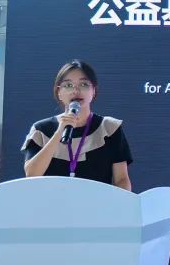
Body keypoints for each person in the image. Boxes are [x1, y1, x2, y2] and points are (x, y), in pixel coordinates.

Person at [21, 60, 133, 191]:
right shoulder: (41, 130)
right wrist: (59, 131)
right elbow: (32, 175)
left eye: (84, 84)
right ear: (59, 92)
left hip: (97, 203)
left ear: (93, 91)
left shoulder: (109, 128)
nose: (76, 90)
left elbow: (121, 179)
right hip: (51, 202)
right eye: (68, 85)